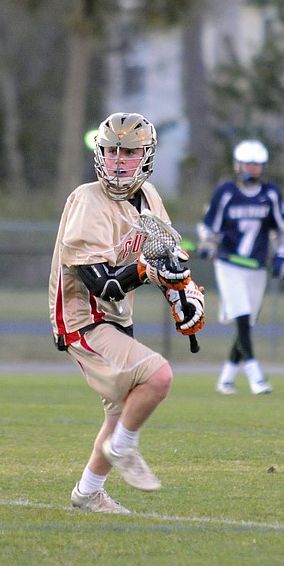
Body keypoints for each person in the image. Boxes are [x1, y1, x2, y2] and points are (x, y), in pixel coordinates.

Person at [49, 112, 206, 514]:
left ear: (147, 156)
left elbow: (167, 253)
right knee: (157, 377)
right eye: (112, 150)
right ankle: (123, 449)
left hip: (116, 316)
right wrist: (150, 272)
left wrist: (184, 296)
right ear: (99, 153)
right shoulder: (87, 200)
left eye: (130, 151)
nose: (119, 159)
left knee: (123, 408)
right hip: (82, 316)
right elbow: (101, 282)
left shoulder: (150, 197)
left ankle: (87, 493)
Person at [197, 139, 284, 395]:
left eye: (257, 165)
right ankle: (256, 376)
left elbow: (282, 230)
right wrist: (207, 244)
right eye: (248, 164)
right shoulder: (226, 192)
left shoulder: (270, 193)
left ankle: (226, 379)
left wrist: (283, 255)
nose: (252, 169)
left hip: (256, 266)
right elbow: (209, 227)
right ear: (238, 165)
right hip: (229, 264)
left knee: (247, 323)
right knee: (240, 316)